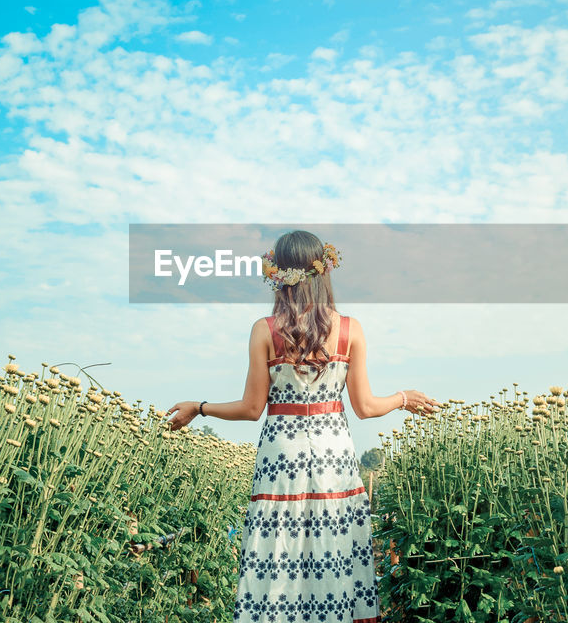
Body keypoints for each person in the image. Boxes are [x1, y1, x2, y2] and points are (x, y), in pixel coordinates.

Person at [166, 230, 440, 623]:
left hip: (281, 456)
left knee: (280, 548)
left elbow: (250, 408)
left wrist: (201, 407)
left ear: (277, 273)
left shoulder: (266, 330)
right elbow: (364, 407)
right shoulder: (350, 329)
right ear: (323, 271)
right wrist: (403, 398)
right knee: (334, 547)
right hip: (334, 457)